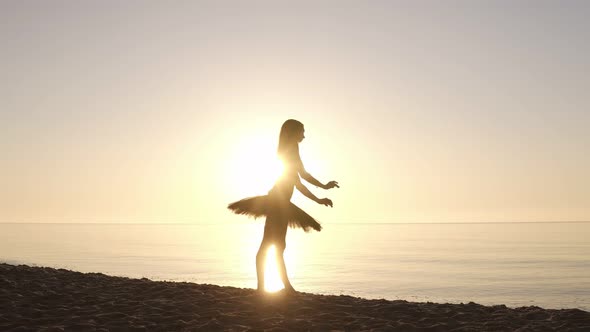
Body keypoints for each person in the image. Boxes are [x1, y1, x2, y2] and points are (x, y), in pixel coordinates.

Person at [228, 119, 339, 293]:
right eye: (302, 131)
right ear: (293, 132)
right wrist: (319, 197)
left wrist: (323, 188)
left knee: (278, 245)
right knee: (270, 246)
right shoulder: (289, 150)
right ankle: (267, 288)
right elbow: (299, 182)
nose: (304, 135)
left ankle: (281, 287)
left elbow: (301, 176)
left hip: (281, 203)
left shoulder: (291, 149)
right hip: (277, 203)